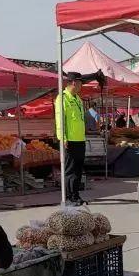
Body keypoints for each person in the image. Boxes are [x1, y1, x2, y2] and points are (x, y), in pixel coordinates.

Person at [55, 72, 86, 205]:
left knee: (78, 169)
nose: (81, 86)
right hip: (70, 140)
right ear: (74, 82)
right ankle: (70, 196)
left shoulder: (78, 99)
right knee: (70, 170)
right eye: (80, 83)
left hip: (80, 139)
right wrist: (63, 137)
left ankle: (76, 194)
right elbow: (60, 119)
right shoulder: (62, 98)